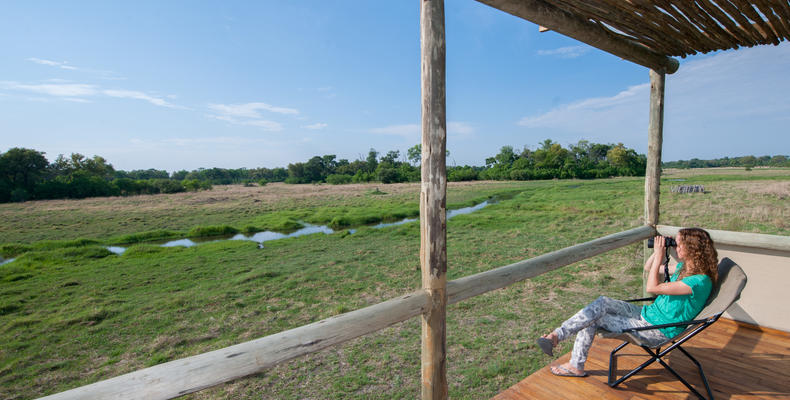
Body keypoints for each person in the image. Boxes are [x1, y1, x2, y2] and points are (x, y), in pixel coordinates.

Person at [536, 227, 718, 377]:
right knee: (602, 302)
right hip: (646, 315)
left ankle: (573, 362)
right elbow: (649, 267)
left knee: (593, 318)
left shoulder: (699, 282)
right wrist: (658, 252)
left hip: (656, 330)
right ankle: (557, 336)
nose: (676, 248)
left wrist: (660, 252)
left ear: (693, 249)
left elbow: (652, 287)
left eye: (679, 245)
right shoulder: (683, 268)